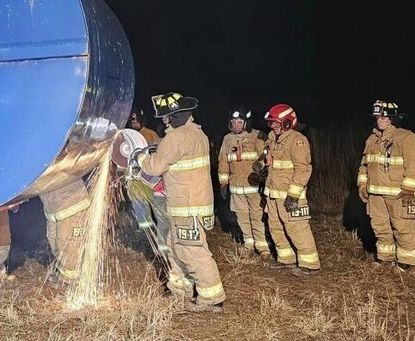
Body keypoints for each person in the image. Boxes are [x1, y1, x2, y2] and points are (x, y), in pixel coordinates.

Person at [134, 92, 225, 312]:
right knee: (176, 248)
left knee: (192, 251)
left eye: (166, 117)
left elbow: (154, 167)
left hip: (188, 206)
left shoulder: (177, 137)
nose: (164, 121)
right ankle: (179, 291)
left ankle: (211, 299)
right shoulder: (195, 133)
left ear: (176, 115)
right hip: (187, 204)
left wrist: (139, 157)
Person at [357, 100, 415, 272]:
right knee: (379, 226)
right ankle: (385, 257)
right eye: (377, 117)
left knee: (403, 226)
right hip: (376, 194)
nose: (380, 120)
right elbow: (364, 165)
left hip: (400, 194)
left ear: (393, 118)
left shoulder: (407, 138)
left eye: (384, 117)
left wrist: (409, 189)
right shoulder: (372, 139)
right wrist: (362, 185)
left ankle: (407, 262)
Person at [261, 104, 320, 276]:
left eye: (277, 123)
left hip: (290, 196)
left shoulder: (297, 140)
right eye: (271, 123)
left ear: (288, 122)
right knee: (275, 226)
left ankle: (310, 264)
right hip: (273, 194)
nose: (273, 127)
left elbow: (303, 169)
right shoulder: (272, 139)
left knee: (297, 228)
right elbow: (267, 160)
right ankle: (286, 259)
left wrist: (293, 196)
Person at [217, 106, 269, 257]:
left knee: (257, 215)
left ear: (247, 123)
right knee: (241, 216)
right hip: (236, 186)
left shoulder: (257, 136)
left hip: (253, 186)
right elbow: (223, 162)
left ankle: (263, 247)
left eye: (239, 122)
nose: (236, 125)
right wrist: (224, 183)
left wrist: (262, 174)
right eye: (233, 122)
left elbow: (265, 156)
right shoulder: (228, 139)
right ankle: (249, 244)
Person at [39, 176, 91, 285]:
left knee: (68, 243)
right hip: (53, 208)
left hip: (72, 205)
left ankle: (71, 282)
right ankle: (63, 273)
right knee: (54, 241)